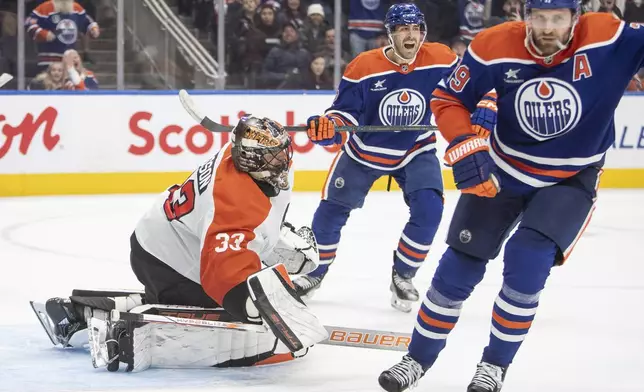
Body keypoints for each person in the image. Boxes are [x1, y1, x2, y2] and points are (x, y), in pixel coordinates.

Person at [378, 1, 644, 391]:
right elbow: (447, 99)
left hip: (569, 179)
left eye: (558, 18)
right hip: (503, 172)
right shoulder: (492, 44)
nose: (547, 28)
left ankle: (494, 366)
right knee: (456, 271)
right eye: (539, 18)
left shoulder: (609, 35)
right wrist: (466, 143)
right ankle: (417, 358)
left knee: (526, 265)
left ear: (576, 17)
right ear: (524, 16)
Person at [31, 116, 328, 371]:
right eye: (273, 158)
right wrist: (257, 307)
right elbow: (223, 274)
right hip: (167, 258)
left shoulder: (240, 159)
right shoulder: (235, 201)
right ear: (252, 160)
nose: (283, 161)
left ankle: (91, 309)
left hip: (169, 236)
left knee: (258, 282)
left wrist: (276, 239)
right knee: (224, 313)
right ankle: (95, 319)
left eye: (282, 153)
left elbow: (247, 222)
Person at [293, 3, 498, 313]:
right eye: (403, 29)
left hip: (415, 149)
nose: (410, 35)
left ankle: (403, 274)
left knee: (430, 209)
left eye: (416, 29)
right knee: (331, 211)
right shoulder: (363, 66)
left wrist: (487, 100)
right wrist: (330, 127)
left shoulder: (442, 58)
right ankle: (314, 272)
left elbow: (472, 84)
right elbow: (343, 113)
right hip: (365, 152)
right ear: (390, 34)